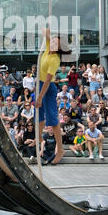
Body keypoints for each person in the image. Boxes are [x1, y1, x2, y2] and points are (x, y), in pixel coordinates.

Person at [36, 28, 70, 164]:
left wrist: (39, 97)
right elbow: (44, 30)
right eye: (54, 40)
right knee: (38, 113)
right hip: (39, 83)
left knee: (52, 120)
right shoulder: (48, 48)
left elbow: (48, 80)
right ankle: (38, 138)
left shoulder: (55, 59)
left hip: (47, 87)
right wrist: (52, 34)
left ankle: (60, 149)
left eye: (57, 43)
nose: (54, 42)